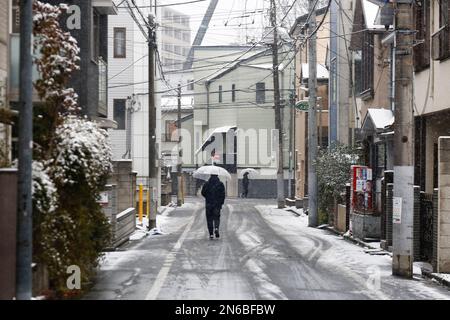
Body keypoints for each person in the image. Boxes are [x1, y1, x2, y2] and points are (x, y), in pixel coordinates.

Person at [201, 174, 226, 239]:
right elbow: (223, 194)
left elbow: (203, 192)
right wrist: (221, 202)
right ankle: (216, 228)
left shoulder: (206, 184)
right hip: (217, 204)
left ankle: (211, 234)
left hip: (209, 204)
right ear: (217, 176)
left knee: (209, 219)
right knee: (216, 217)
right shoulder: (220, 184)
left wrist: (207, 197)